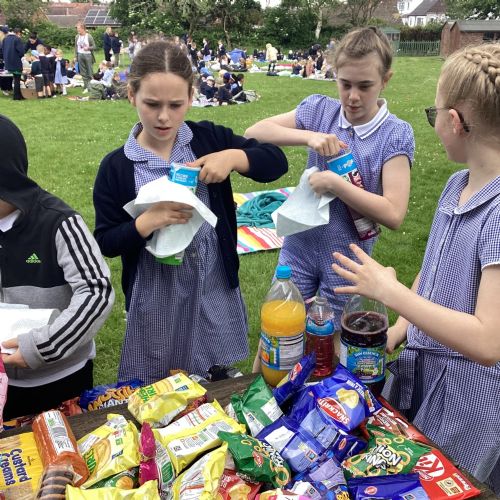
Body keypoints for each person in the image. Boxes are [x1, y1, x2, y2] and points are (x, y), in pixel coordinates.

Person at [331, 43, 500, 494]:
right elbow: (434, 270)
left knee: (444, 485)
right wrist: (398, 330)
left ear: (455, 121)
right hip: (423, 371)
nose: (435, 123)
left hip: (469, 400)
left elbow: (488, 341)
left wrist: (390, 292)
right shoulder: (457, 184)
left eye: (434, 113)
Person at [93, 41, 288, 385]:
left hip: (211, 281)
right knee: (160, 380)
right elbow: (106, 241)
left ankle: (215, 383)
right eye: (152, 104)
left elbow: (276, 162)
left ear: (191, 96)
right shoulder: (118, 167)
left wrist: (234, 157)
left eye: (175, 105)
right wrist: (145, 223)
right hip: (156, 292)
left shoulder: (207, 139)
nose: (164, 116)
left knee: (214, 372)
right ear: (132, 96)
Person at [245, 26, 414, 331]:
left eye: (365, 86)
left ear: (385, 80)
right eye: (345, 83)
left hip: (347, 259)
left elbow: (394, 213)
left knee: (330, 340)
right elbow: (254, 132)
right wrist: (309, 136)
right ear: (335, 74)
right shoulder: (320, 111)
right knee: (279, 328)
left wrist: (337, 184)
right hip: (298, 244)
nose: (353, 96)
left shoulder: (394, 135)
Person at [0, 114, 114, 419]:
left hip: (60, 378)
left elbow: (97, 293)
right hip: (5, 382)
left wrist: (42, 347)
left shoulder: (58, 223)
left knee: (65, 445)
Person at [2, 27, 25, 100]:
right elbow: (21, 52)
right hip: (16, 62)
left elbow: (2, 50)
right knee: (17, 79)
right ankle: (16, 96)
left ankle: (20, 95)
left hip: (8, 63)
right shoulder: (17, 39)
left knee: (15, 78)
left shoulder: (5, 39)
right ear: (18, 33)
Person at [75, 21, 95, 91]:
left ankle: (91, 86)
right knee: (83, 72)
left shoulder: (89, 36)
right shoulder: (77, 36)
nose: (77, 30)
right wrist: (76, 56)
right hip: (80, 55)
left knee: (89, 71)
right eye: (77, 29)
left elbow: (94, 46)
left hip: (88, 55)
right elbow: (76, 47)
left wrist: (88, 48)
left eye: (78, 29)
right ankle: (86, 86)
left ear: (83, 28)